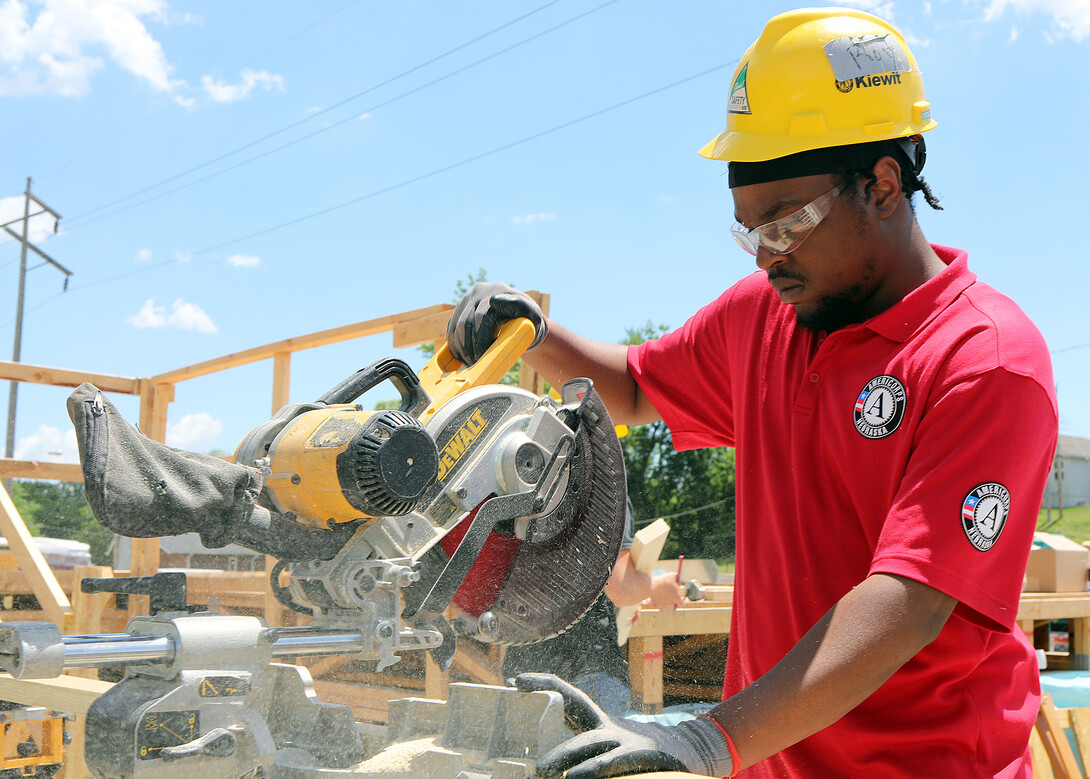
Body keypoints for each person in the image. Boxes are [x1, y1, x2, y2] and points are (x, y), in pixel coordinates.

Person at [445, 8, 1058, 778]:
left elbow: (909, 600)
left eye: (787, 223)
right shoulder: (767, 315)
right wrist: (533, 330)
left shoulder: (984, 360)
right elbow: (637, 386)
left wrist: (706, 738)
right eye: (748, 231)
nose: (768, 258)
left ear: (884, 184)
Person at [500, 498, 685, 717]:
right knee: (594, 752)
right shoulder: (606, 488)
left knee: (519, 751)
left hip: (521, 668)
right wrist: (659, 586)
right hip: (587, 673)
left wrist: (618, 604)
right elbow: (621, 588)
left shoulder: (525, 488)